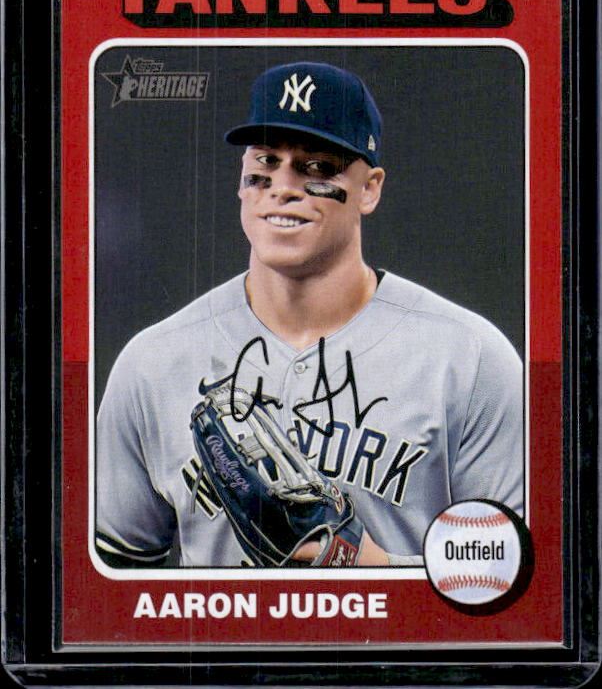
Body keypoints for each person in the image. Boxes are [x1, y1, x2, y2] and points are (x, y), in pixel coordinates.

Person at [95, 61, 523, 568]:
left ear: (370, 188)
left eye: (317, 167)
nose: (283, 186)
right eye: (266, 162)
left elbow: (511, 580)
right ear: (241, 180)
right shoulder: (152, 362)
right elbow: (107, 587)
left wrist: (367, 566)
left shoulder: (470, 358)